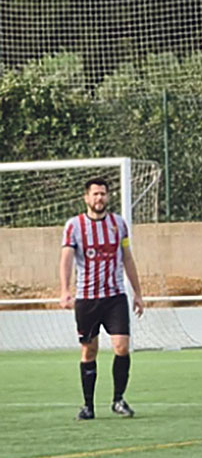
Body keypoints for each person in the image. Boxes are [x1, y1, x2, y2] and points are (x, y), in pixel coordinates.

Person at [59, 177, 145, 421]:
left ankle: (118, 400)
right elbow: (66, 259)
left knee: (122, 346)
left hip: (115, 297)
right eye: (95, 194)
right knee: (89, 350)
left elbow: (127, 258)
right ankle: (88, 406)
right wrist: (64, 290)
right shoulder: (74, 226)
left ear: (108, 196)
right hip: (87, 299)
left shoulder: (118, 224)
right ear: (86, 198)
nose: (99, 198)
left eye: (103, 194)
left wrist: (138, 293)